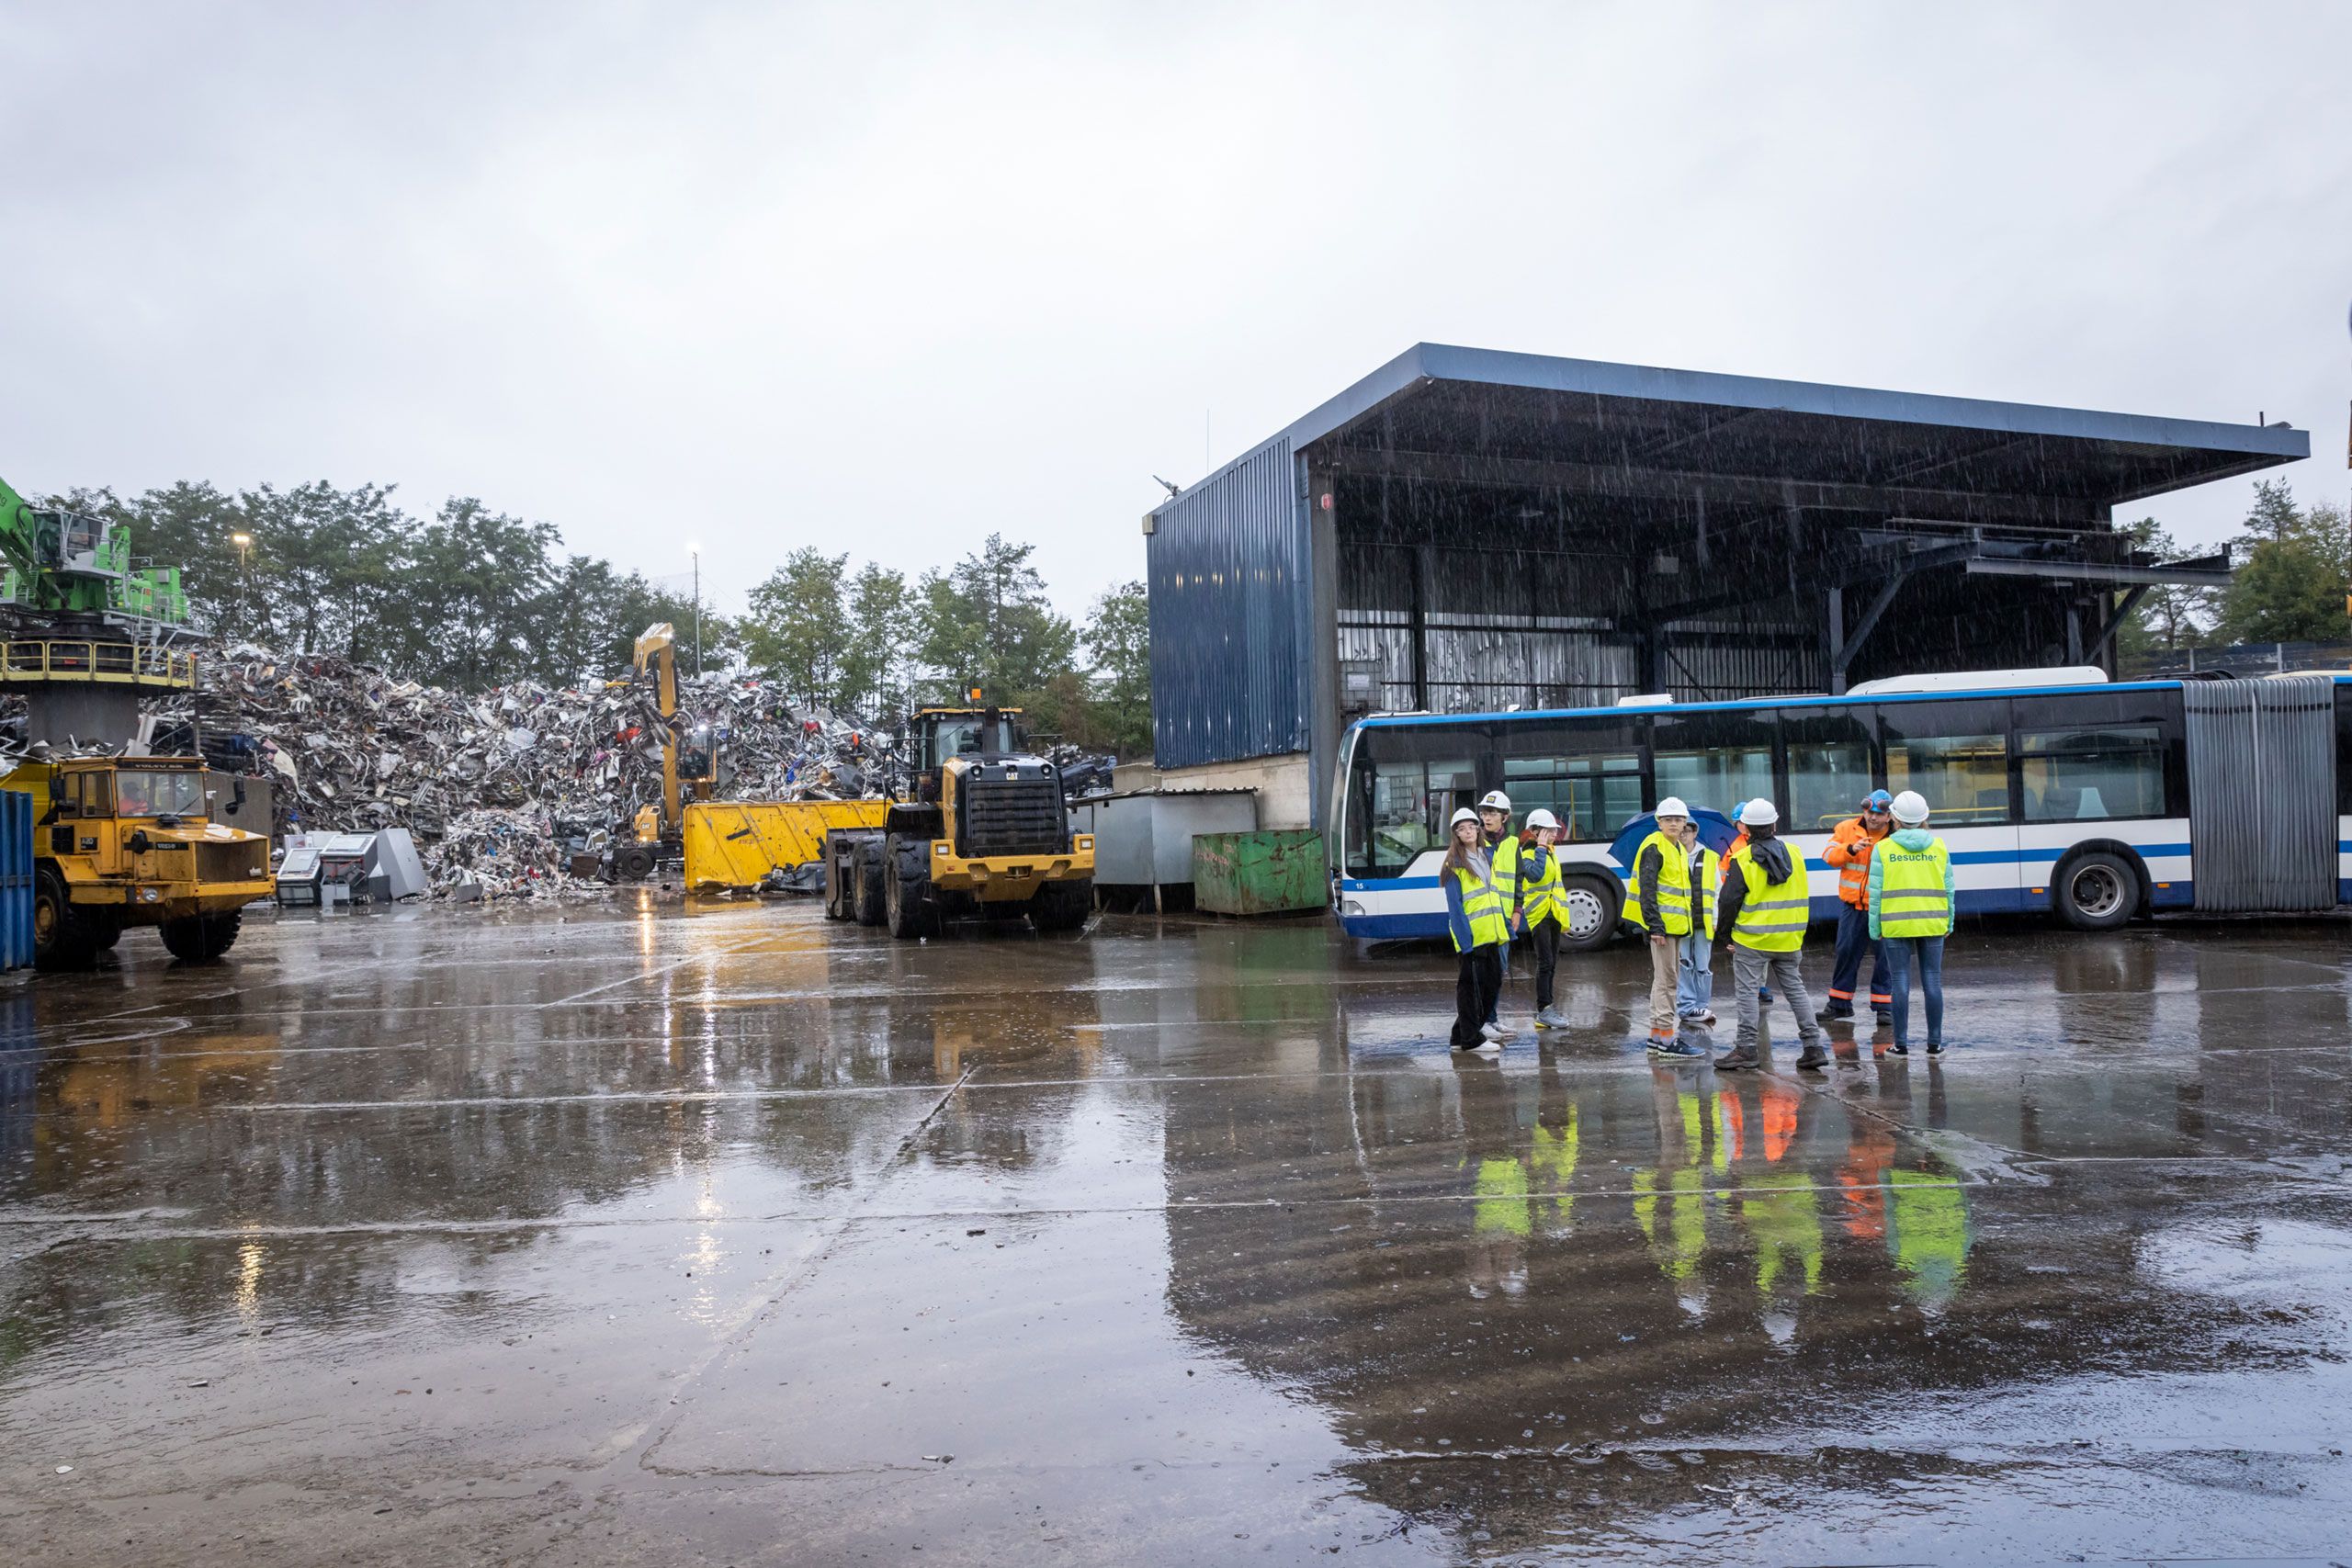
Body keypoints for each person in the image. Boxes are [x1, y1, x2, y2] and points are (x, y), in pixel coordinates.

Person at [1713, 799, 1827, 1073]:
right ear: (1774, 824)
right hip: (1789, 937)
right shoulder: (1795, 854)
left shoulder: (1743, 859)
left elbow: (1728, 901)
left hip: (1752, 940)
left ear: (1746, 828)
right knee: (1796, 990)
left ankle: (1746, 1049)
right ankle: (1813, 1047)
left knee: (1748, 994)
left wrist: (1725, 935)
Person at [1621, 797, 1708, 1062]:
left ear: (1685, 823)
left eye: (1678, 819)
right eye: (1668, 819)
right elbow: (1647, 890)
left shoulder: (1676, 848)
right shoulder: (1655, 847)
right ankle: (1667, 1039)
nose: (1674, 823)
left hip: (1675, 926)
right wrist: (1655, 926)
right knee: (1667, 983)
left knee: (1666, 981)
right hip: (1663, 928)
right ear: (1659, 822)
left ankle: (1658, 1037)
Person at [1871, 790, 1954, 1057]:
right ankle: (1935, 1044)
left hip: (1896, 925)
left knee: (1900, 982)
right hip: (1932, 922)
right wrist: (1949, 922)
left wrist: (1875, 928)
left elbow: (1875, 893)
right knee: (1933, 981)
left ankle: (1901, 1044)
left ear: (1894, 818)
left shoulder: (1883, 849)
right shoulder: (1939, 847)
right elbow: (1949, 889)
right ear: (1924, 818)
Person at [1817, 789, 1894, 1027]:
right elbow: (1828, 856)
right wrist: (1851, 849)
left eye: (1879, 814)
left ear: (1889, 816)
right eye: (1869, 812)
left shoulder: (1897, 836)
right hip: (1853, 906)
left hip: (1884, 908)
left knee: (1886, 959)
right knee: (1846, 952)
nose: (1873, 817)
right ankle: (1839, 1004)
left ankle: (1884, 1007)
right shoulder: (1846, 829)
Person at [1441, 807, 1508, 1053]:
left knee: (1491, 986)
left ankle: (1459, 1036)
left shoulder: (1487, 856)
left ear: (1478, 830)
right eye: (1462, 829)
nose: (1468, 831)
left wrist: (1505, 927)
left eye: (1472, 827)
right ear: (1456, 835)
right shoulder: (1453, 865)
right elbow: (1455, 907)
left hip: (1493, 933)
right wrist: (1465, 941)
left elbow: (1494, 895)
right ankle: (1471, 1039)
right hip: (1473, 937)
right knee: (1471, 990)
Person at [1512, 807, 1569, 1029]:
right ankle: (1544, 1009)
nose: (1553, 834)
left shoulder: (1550, 852)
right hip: (1539, 914)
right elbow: (1535, 875)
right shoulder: (1527, 853)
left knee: (1552, 962)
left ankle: (1549, 1007)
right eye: (1548, 831)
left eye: (1554, 830)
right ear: (1535, 832)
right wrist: (1542, 848)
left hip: (1553, 911)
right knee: (1545, 963)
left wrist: (1545, 848)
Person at [1671, 814, 1720, 1029]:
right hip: (1682, 920)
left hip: (1703, 919)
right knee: (1684, 963)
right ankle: (1687, 1005)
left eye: (1687, 831)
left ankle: (1702, 1005)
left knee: (1702, 964)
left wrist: (1716, 918)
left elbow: (1716, 890)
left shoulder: (1709, 856)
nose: (1683, 835)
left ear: (1695, 832)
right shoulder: (1672, 855)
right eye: (1681, 831)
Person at [1478, 790, 1519, 1040]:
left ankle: (1492, 1019)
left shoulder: (1513, 844)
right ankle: (1483, 1020)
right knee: (1484, 973)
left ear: (1505, 817)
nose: (1487, 818)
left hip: (1504, 918)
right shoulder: (1476, 842)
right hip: (1484, 918)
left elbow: (1518, 879)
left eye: (1492, 813)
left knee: (1499, 971)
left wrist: (1517, 910)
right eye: (1484, 813)